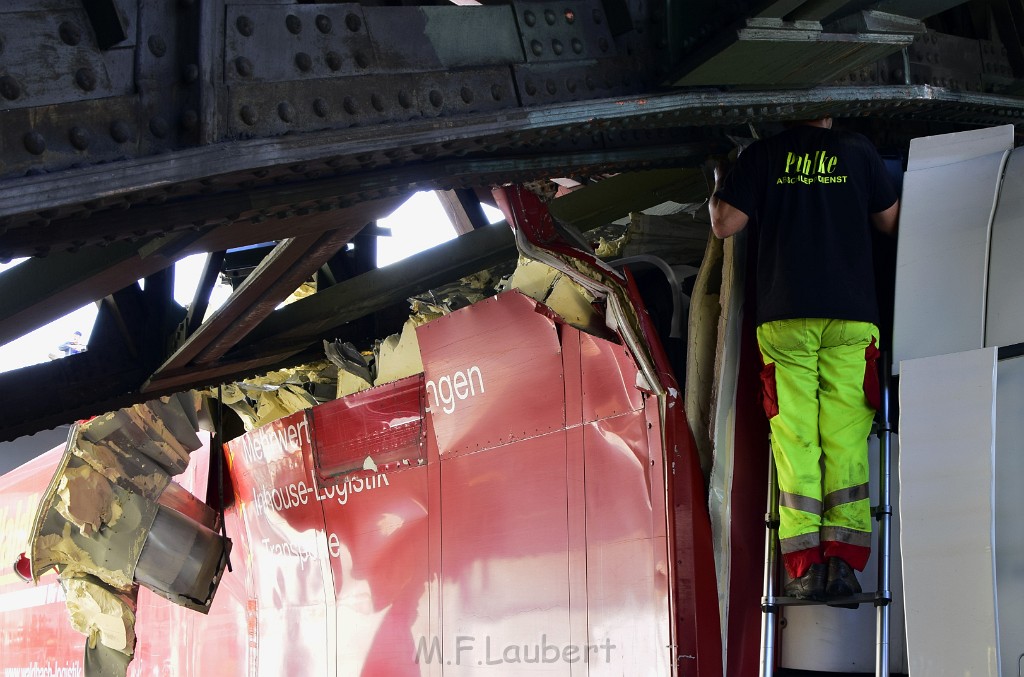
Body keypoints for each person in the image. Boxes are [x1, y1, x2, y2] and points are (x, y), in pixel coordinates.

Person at [708, 116, 899, 603]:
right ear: (830, 111)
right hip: (851, 317)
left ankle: (804, 568)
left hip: (786, 317)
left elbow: (724, 223)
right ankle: (844, 564)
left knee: (796, 441)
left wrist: (718, 184)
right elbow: (889, 221)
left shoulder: (763, 156)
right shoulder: (858, 150)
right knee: (846, 438)